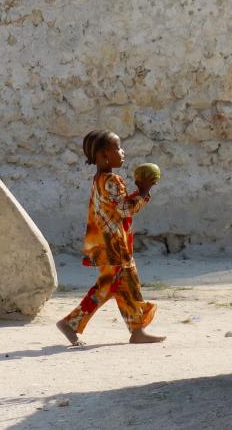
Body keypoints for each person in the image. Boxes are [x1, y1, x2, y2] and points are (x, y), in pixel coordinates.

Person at [56, 130, 166, 345]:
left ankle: (137, 330)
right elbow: (125, 209)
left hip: (109, 243)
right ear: (104, 155)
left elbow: (117, 206)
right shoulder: (112, 181)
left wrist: (138, 193)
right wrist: (144, 191)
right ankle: (70, 323)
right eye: (118, 148)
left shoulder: (100, 179)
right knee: (107, 287)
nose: (122, 152)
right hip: (114, 245)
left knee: (128, 286)